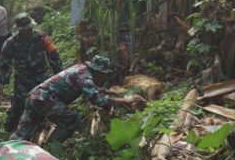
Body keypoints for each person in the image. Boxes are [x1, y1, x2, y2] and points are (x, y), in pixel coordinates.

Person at [11, 55, 146, 142]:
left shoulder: (81, 69)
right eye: (105, 75)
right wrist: (125, 100)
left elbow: (89, 88)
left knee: (22, 132)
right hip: (45, 99)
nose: (105, 78)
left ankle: (4, 151)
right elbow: (97, 99)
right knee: (71, 119)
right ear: (99, 71)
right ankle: (51, 151)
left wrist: (107, 91)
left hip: (35, 97)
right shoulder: (85, 75)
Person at [0, 13, 64, 133]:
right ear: (19, 30)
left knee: (48, 98)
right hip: (23, 76)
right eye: (25, 29)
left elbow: (53, 55)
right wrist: (1, 82)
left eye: (29, 28)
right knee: (20, 104)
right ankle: (11, 126)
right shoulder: (10, 43)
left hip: (42, 73)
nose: (28, 31)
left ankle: (51, 123)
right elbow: (4, 63)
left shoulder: (42, 37)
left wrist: (59, 74)